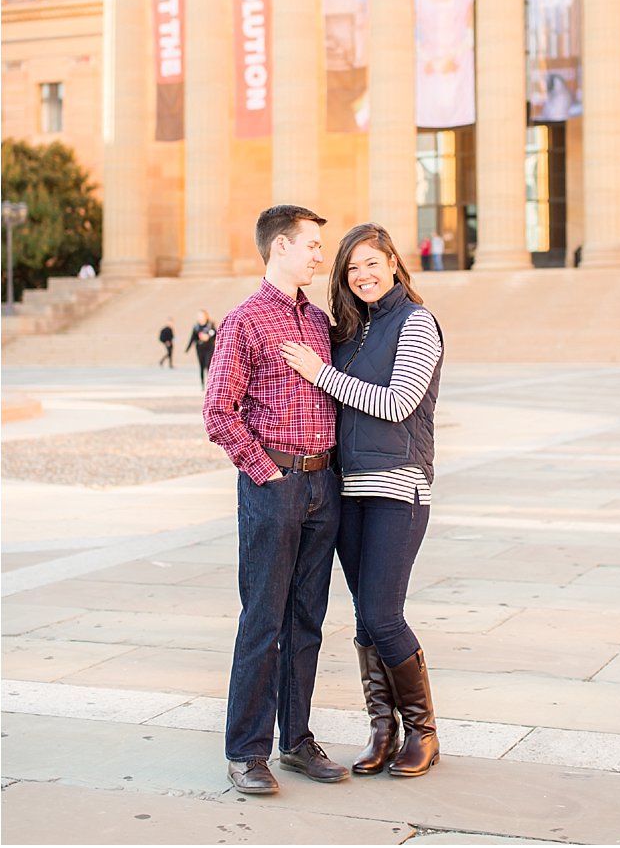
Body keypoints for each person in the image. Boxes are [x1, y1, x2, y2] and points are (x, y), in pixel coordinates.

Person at [279, 222, 443, 778]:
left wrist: (319, 374)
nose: (363, 275)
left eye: (372, 263)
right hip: (348, 492)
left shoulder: (417, 323)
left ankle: (423, 731)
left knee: (383, 613)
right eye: (352, 269)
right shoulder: (349, 332)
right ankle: (383, 730)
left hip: (398, 487)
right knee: (365, 621)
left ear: (394, 263)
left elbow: (397, 404)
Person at [204, 204, 347, 796]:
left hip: (323, 485)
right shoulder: (244, 320)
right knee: (263, 619)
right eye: (313, 245)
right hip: (275, 484)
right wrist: (266, 472)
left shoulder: (318, 321)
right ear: (281, 247)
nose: (321, 254)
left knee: (307, 620)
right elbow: (218, 411)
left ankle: (296, 741)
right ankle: (246, 750)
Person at [415, 0, 475, 129]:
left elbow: (472, 31)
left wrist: (450, 58)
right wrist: (429, 60)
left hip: (460, 66)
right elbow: (408, 34)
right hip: (427, 67)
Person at [186, 309, 218, 389]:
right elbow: (192, 338)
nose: (200, 317)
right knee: (201, 366)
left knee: (208, 365)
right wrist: (188, 348)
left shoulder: (210, 325)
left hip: (209, 347)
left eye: (202, 315)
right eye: (199, 316)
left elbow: (215, 333)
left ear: (205, 316)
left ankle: (209, 384)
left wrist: (208, 337)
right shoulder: (196, 327)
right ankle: (202, 384)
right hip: (200, 348)